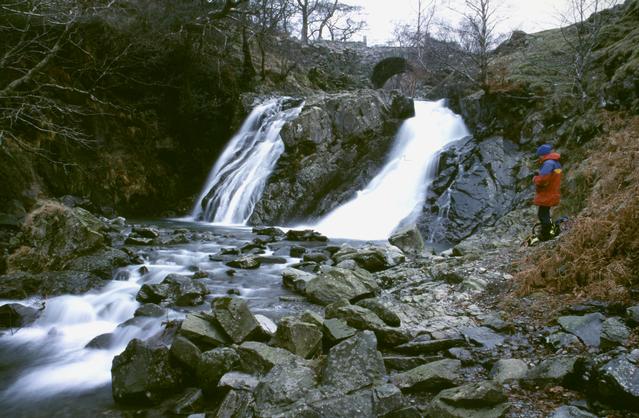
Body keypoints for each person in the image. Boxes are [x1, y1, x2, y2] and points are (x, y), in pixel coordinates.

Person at [533, 144, 562, 241]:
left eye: (539, 155)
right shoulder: (556, 163)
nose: (539, 158)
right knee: (544, 213)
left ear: (543, 154)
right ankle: (552, 231)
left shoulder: (548, 164)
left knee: (542, 215)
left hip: (547, 194)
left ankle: (546, 235)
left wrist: (535, 178)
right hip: (553, 192)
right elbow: (553, 177)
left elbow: (543, 180)